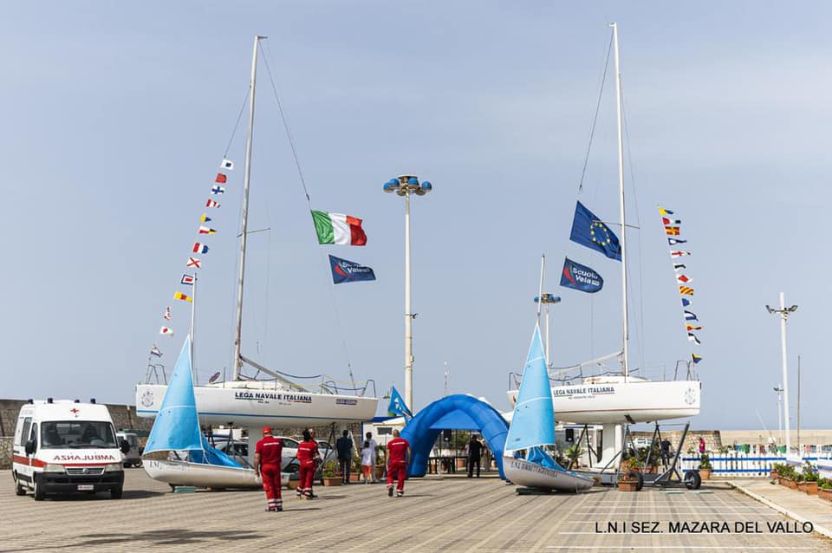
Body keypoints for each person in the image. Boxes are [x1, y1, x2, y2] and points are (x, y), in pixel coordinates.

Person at [254, 426, 284, 512]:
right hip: (276, 466)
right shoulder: (279, 442)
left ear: (263, 433)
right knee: (277, 485)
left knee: (269, 486)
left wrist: (256, 471)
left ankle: (272, 506)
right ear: (271, 432)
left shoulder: (260, 443)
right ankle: (279, 505)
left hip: (265, 467)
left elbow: (256, 459)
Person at [386, 429, 410, 497]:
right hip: (402, 461)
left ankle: (390, 484)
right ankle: (399, 490)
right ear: (399, 434)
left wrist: (387, 463)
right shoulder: (405, 442)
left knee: (390, 475)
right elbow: (409, 452)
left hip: (393, 462)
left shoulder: (390, 443)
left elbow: (388, 455)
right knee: (401, 476)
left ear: (393, 435)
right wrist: (408, 460)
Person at [296, 429, 319, 499]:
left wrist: (301, 460)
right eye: (312, 433)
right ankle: (307, 493)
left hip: (302, 464)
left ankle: (299, 491)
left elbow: (298, 455)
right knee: (309, 479)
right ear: (309, 435)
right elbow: (316, 455)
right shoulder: (313, 444)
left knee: (303, 479)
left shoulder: (300, 444)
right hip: (310, 463)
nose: (313, 434)